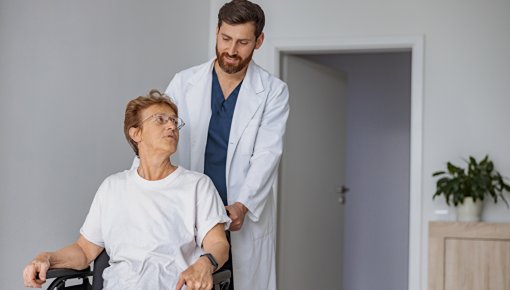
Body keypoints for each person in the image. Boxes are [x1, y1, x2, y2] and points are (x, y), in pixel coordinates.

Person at [22, 90, 230, 290]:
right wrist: (46, 257)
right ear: (136, 133)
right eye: (160, 119)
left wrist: (205, 263)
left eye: (174, 121)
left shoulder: (197, 185)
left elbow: (218, 244)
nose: (172, 126)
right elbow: (84, 251)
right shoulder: (112, 187)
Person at [165, 1, 289, 289]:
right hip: (188, 213)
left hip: (236, 216)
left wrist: (243, 205)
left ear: (259, 41)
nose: (231, 50)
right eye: (226, 39)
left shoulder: (273, 91)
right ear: (217, 31)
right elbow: (158, 138)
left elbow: (267, 154)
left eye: (243, 42)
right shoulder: (184, 83)